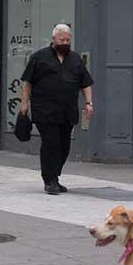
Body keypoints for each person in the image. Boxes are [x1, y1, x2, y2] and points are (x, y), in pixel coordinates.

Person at [19, 23, 94, 195]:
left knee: (64, 146)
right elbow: (27, 82)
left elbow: (86, 83)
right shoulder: (39, 57)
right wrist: (24, 104)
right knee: (50, 144)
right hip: (44, 110)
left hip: (67, 111)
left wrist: (89, 103)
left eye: (68, 40)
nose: (65, 42)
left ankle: (55, 176)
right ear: (53, 39)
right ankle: (49, 180)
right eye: (62, 39)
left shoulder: (75, 59)